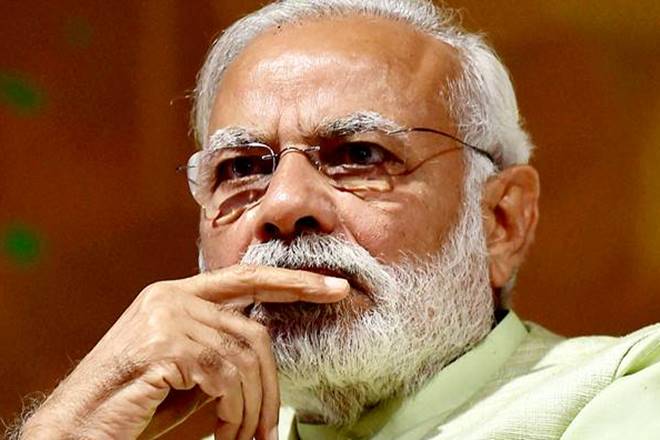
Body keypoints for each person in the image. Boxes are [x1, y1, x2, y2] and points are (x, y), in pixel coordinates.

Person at [12, 0, 660, 439]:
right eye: (242, 168)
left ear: (500, 221)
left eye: (359, 155)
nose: (283, 206)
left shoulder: (623, 393)